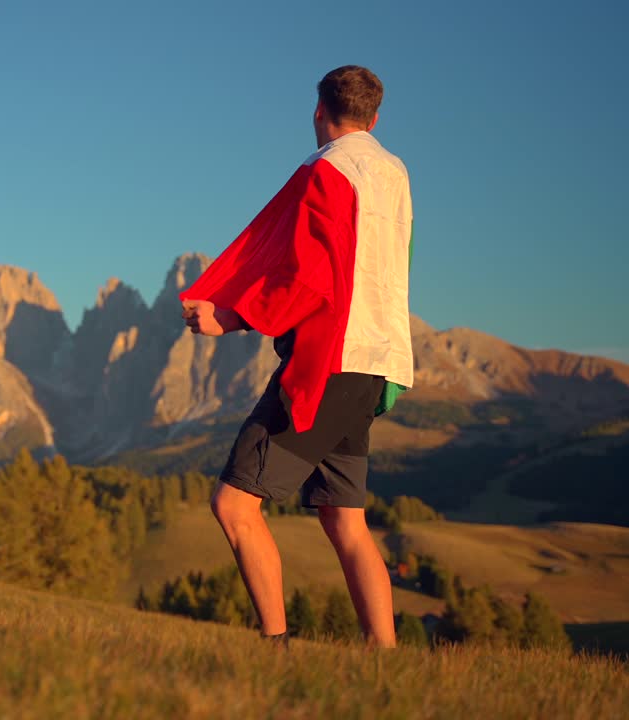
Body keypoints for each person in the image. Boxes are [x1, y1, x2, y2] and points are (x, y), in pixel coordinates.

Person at [179, 65, 413, 648]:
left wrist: (231, 315)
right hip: (377, 363)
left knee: (234, 505)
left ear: (318, 111)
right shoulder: (395, 173)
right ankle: (387, 659)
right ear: (374, 119)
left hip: (329, 362)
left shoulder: (328, 170)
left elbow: (310, 279)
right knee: (344, 519)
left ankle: (277, 649)